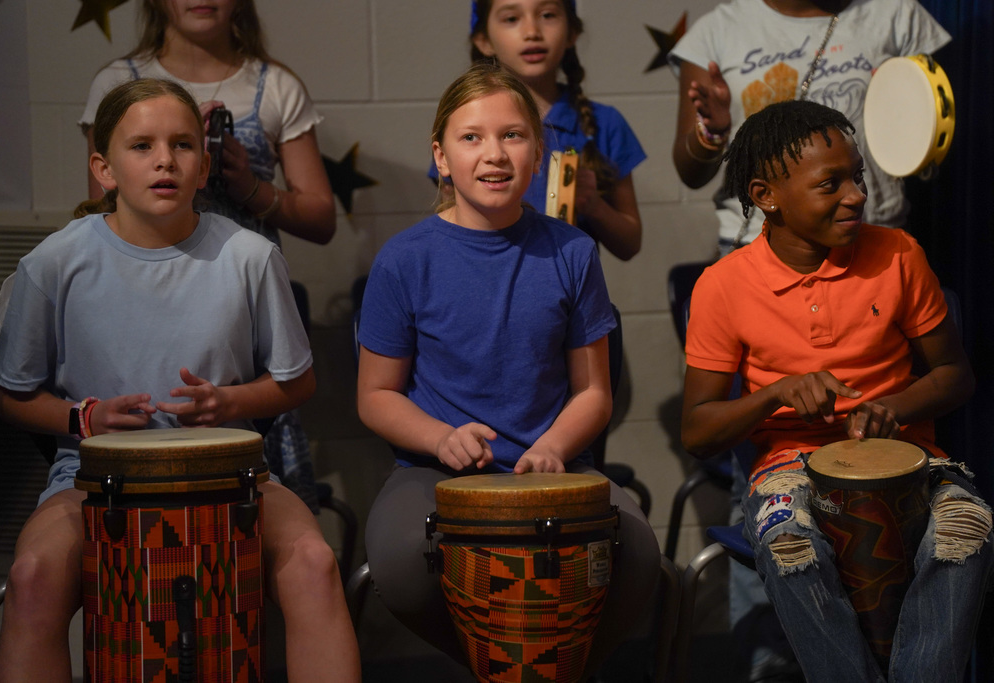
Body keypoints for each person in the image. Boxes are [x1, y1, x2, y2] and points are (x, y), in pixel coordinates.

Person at [0, 78, 359, 682]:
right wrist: (84, 419)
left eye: (183, 145)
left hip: (232, 477)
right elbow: (9, 396)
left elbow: (298, 383)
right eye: (142, 146)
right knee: (32, 578)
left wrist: (229, 402)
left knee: (315, 564)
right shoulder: (54, 262)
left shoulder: (250, 257)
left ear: (204, 164)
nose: (165, 160)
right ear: (103, 168)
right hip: (93, 477)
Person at [358, 62, 660, 675]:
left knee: (638, 558)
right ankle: (498, 664)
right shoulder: (403, 260)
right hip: (435, 473)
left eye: (512, 136)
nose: (493, 154)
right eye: (471, 138)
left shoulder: (572, 251)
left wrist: (553, 447)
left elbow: (594, 392)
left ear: (539, 153)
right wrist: (442, 438)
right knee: (396, 561)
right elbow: (376, 397)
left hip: (554, 466)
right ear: (441, 157)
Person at [680, 99, 993, 682]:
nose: (855, 195)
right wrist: (776, 394)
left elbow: (956, 375)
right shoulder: (723, 286)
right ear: (766, 195)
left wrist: (891, 410)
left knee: (963, 533)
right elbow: (697, 430)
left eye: (858, 177)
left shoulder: (899, 254)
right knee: (790, 546)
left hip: (911, 459)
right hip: (788, 465)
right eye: (832, 184)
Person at [80, 0, 337, 512]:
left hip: (240, 313)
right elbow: (97, 211)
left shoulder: (274, 85)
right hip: (145, 300)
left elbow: (320, 217)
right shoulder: (117, 81)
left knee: (256, 505)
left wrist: (247, 185)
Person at [669, 0, 950, 256]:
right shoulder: (716, 31)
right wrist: (713, 133)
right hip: (764, 243)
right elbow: (690, 174)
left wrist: (900, 106)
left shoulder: (896, 14)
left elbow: (937, 137)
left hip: (872, 236)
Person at [428, 0, 645, 261]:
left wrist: (594, 205)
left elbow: (630, 244)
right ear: (484, 39)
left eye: (547, 15)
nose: (532, 31)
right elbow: (452, 226)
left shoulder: (605, 123)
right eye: (511, 19)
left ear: (572, 32)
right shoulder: (461, 125)